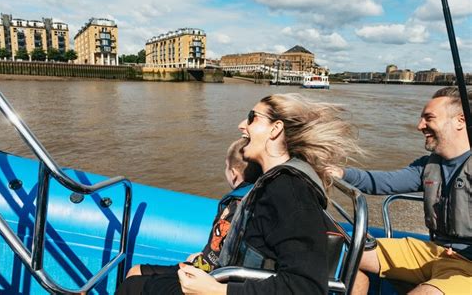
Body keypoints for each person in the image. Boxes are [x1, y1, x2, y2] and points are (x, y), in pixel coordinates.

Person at [176, 93, 364, 294]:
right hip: (229, 278)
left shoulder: (289, 191)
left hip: (227, 287)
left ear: (275, 129)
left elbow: (307, 287)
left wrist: (217, 291)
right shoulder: (274, 183)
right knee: (138, 275)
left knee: (138, 282)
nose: (242, 125)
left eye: (252, 117)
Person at [329, 87, 472, 295]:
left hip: (467, 265)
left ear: (460, 121)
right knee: (342, 253)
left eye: (428, 118)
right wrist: (340, 173)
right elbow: (383, 182)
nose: (419, 126)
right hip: (433, 252)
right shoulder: (427, 167)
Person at [116, 138, 262, 295]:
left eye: (226, 167)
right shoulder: (249, 201)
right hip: (203, 265)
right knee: (135, 270)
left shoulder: (239, 209)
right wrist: (203, 256)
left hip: (206, 278)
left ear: (233, 174)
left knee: (131, 285)